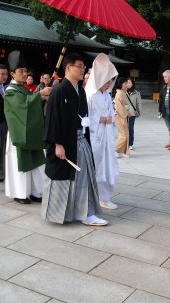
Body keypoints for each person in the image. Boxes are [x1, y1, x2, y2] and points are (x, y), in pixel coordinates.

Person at [42, 52, 108, 226]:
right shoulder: (59, 89)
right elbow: (53, 119)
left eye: (83, 67)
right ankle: (63, 213)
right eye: (79, 66)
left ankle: (86, 213)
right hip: (65, 142)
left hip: (80, 140)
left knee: (84, 177)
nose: (82, 70)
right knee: (67, 178)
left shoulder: (80, 90)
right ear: (68, 68)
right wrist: (57, 145)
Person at [4, 51, 52, 204]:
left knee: (35, 162)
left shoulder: (22, 88)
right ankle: (20, 193)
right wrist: (38, 95)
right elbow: (22, 106)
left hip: (28, 131)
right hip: (18, 133)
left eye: (25, 71)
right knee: (21, 165)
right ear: (13, 74)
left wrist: (41, 98)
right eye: (21, 71)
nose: (24, 74)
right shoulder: (11, 91)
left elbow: (29, 103)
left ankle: (35, 192)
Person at [86, 53, 119, 209]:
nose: (109, 85)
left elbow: (111, 113)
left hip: (106, 135)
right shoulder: (90, 95)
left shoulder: (106, 95)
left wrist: (110, 118)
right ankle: (92, 195)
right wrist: (100, 119)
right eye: (107, 81)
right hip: (94, 136)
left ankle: (104, 196)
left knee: (107, 165)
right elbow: (85, 117)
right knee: (95, 166)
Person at [114, 77, 130, 158]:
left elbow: (126, 105)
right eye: (125, 83)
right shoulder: (119, 93)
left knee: (125, 134)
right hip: (121, 116)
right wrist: (126, 114)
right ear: (121, 84)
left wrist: (128, 112)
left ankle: (122, 151)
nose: (126, 85)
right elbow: (120, 108)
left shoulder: (123, 92)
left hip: (124, 115)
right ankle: (114, 149)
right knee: (124, 135)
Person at [126, 77, 142, 150]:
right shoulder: (123, 92)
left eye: (129, 83)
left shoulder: (137, 93)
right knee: (124, 129)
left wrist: (139, 112)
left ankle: (130, 144)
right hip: (124, 113)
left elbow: (139, 103)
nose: (128, 84)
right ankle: (124, 143)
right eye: (127, 82)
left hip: (132, 113)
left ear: (132, 84)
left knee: (131, 128)